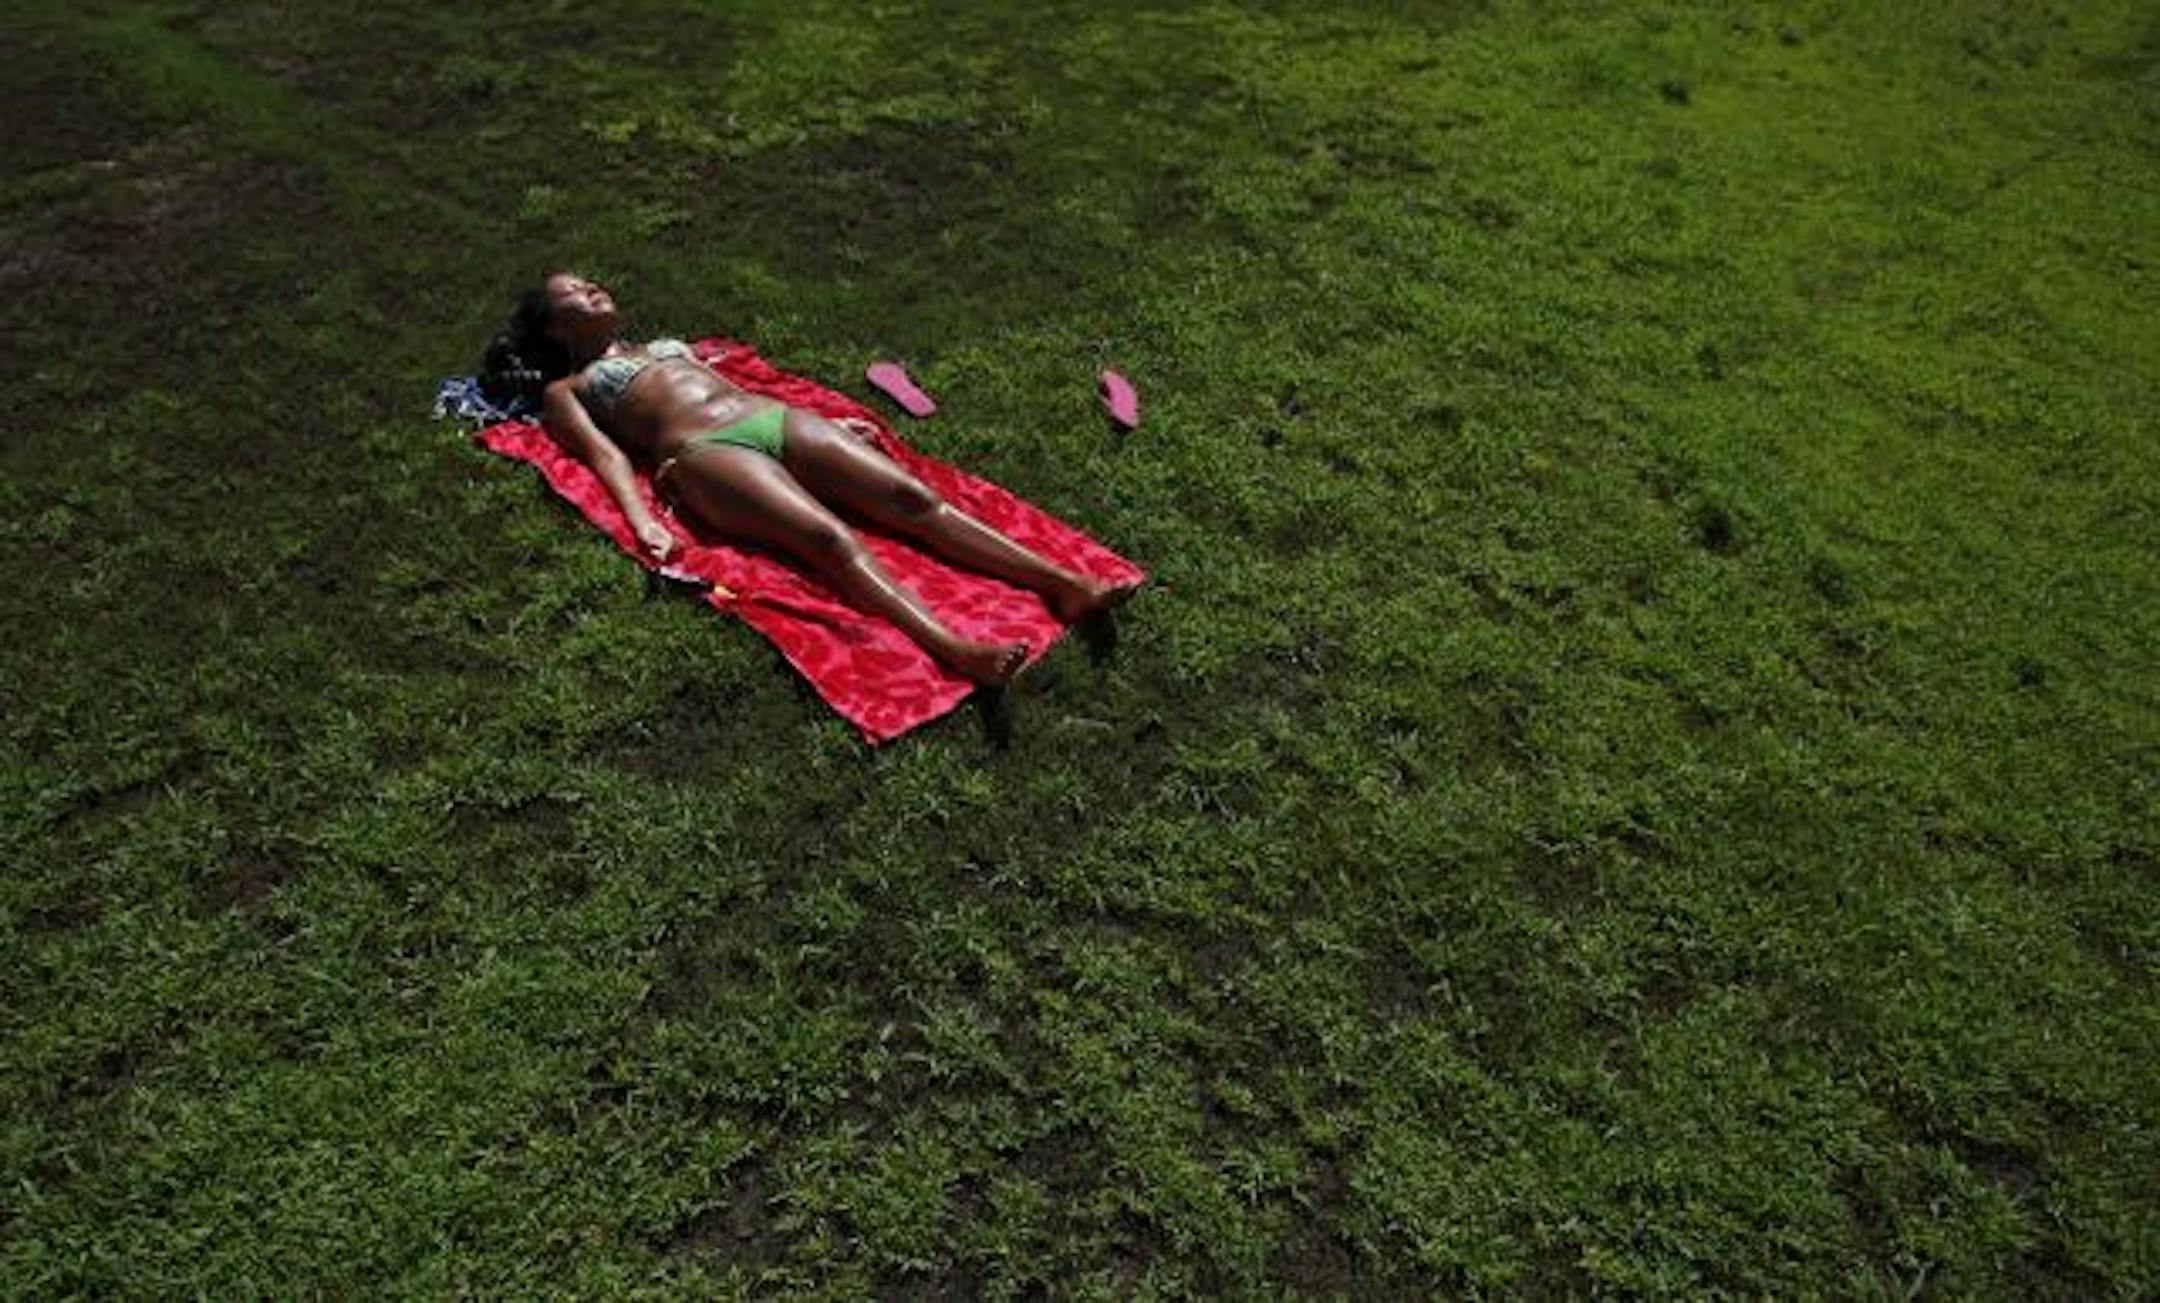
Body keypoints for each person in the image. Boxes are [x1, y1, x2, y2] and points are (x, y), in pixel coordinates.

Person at [478, 271, 1137, 688]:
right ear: (556, 327)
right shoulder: (570, 389)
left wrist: (828, 423)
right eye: (577, 296)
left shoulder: (662, 345)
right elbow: (605, 458)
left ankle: (1065, 583)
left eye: (592, 284)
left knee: (914, 499)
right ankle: (956, 647)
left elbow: (727, 383)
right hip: (705, 454)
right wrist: (642, 518)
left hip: (769, 418)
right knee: (828, 540)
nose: (597, 292)